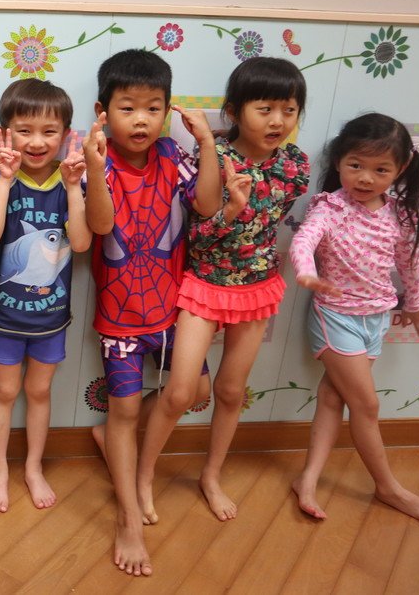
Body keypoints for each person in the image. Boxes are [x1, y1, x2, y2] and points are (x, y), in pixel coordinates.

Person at [137, 56, 310, 523]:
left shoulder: (294, 164)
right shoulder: (212, 155)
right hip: (203, 285)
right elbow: (197, 236)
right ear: (234, 111)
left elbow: (273, 226)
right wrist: (232, 211)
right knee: (180, 392)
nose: (277, 121)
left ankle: (211, 477)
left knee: (231, 392)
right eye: (265, 109)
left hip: (257, 288)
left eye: (289, 110)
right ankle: (142, 476)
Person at [85, 50, 222, 576]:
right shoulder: (96, 160)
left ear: (167, 111)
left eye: (153, 108)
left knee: (195, 393)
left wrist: (206, 144)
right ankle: (128, 519)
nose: (141, 119)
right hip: (120, 317)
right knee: (122, 411)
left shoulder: (171, 153)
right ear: (103, 112)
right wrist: (94, 167)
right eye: (127, 108)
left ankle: (111, 439)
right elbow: (101, 227)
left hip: (173, 309)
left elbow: (207, 205)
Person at [290, 112, 419, 524]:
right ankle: (388, 487)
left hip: (377, 319)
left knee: (333, 396)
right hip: (336, 318)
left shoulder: (400, 214)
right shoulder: (329, 208)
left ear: (400, 169)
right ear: (339, 160)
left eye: (380, 170)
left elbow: (409, 263)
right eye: (356, 165)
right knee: (366, 405)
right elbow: (304, 241)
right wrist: (307, 272)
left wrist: (414, 303)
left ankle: (307, 479)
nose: (366, 178)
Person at [0, 78, 92, 513]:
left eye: (49, 131)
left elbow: (81, 244)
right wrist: (6, 181)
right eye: (24, 130)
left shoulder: (71, 183)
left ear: (66, 135)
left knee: (39, 392)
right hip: (6, 317)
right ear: (5, 133)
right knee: (5, 392)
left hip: (51, 318)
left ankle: (33, 466)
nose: (37, 142)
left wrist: (74, 188)